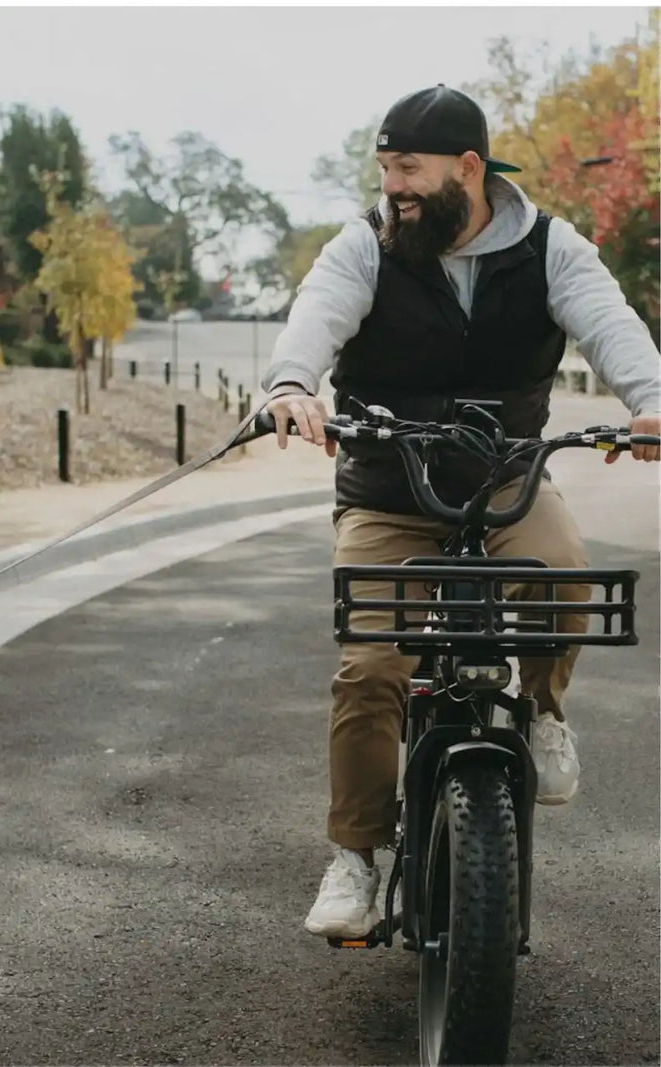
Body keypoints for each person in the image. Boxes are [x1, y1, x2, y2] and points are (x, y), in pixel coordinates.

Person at [260, 84, 661, 939]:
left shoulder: (552, 248)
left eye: (409, 169)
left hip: (507, 484)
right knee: (372, 665)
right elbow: (316, 315)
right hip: (388, 496)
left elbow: (610, 323)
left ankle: (545, 714)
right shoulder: (365, 245)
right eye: (385, 168)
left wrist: (652, 401)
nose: (393, 186)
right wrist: (292, 385)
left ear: (468, 168)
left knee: (563, 578)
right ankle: (358, 856)